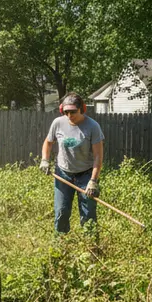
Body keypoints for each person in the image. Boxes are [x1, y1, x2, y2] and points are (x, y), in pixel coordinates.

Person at [39, 92, 104, 234]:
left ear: (82, 109)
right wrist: (45, 160)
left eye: (73, 111)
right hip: (63, 174)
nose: (69, 115)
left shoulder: (93, 126)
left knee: (88, 214)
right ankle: (61, 243)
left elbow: (98, 156)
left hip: (86, 175)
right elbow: (48, 143)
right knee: (61, 211)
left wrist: (93, 181)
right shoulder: (58, 123)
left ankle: (91, 244)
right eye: (66, 112)